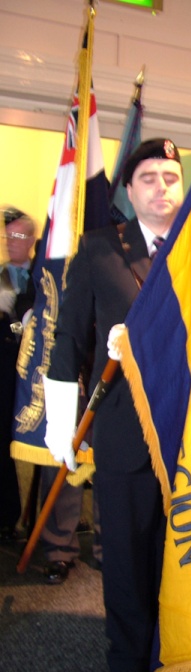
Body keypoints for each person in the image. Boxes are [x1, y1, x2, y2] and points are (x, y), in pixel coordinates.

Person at [42, 139, 184, 672]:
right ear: (129, 190)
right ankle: (127, 666)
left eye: (171, 176)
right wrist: (60, 423)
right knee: (126, 557)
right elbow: (68, 337)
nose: (162, 187)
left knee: (179, 554)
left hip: (187, 433)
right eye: (148, 177)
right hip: (124, 434)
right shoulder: (101, 249)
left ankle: (171, 653)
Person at [0, 207, 36, 542]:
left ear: (33, 239)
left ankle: (41, 522)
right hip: (6, 371)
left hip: (39, 372)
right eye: (8, 237)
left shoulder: (46, 272)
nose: (13, 242)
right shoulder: (1, 277)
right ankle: (8, 516)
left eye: (19, 236)